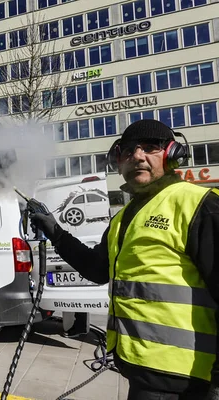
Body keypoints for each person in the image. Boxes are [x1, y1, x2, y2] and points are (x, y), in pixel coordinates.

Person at [30, 119, 219, 400]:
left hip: (190, 384)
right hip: (139, 372)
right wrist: (56, 232)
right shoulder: (124, 218)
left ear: (172, 155)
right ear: (118, 161)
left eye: (151, 148)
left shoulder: (199, 205)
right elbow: (97, 269)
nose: (138, 156)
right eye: (129, 150)